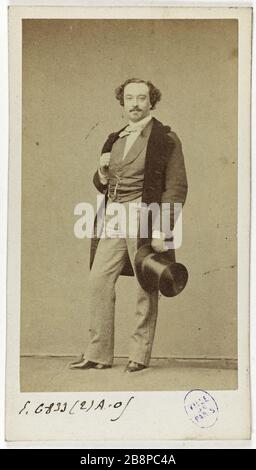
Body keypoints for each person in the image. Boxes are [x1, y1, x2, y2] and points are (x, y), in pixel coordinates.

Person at [70, 78, 188, 373]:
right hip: (112, 215)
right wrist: (101, 172)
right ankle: (97, 354)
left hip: (145, 215)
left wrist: (162, 230)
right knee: (98, 280)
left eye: (142, 98)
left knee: (145, 282)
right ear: (122, 103)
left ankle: (139, 354)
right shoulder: (115, 138)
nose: (135, 103)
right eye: (129, 98)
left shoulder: (166, 138)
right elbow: (103, 183)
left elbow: (176, 187)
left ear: (152, 102)